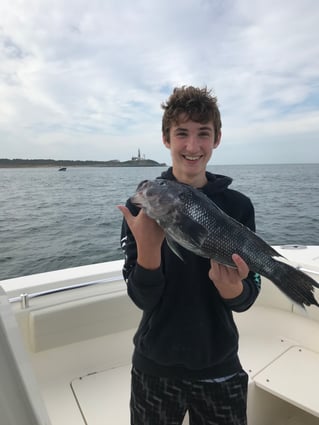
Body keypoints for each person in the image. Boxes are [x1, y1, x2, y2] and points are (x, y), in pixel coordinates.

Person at [118, 86, 261, 425]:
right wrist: (149, 251)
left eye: (203, 134)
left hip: (219, 363)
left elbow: (247, 297)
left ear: (217, 138)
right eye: (182, 133)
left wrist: (233, 290)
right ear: (166, 138)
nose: (193, 146)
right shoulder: (142, 206)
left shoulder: (238, 206)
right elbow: (141, 298)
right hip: (154, 365)